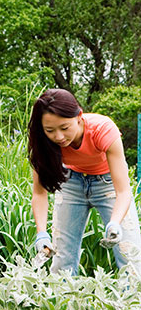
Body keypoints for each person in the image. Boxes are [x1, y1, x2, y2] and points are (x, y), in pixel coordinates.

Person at [28, 88, 141, 276]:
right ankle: (63, 303)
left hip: (107, 184)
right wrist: (41, 233)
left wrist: (114, 223)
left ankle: (131, 305)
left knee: (130, 254)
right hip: (70, 183)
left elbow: (123, 191)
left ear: (79, 116)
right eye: (50, 130)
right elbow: (39, 193)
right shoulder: (42, 143)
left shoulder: (103, 130)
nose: (58, 137)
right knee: (62, 258)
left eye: (64, 128)